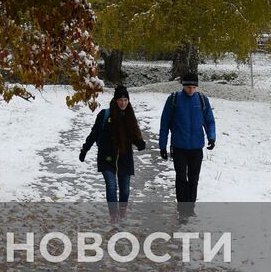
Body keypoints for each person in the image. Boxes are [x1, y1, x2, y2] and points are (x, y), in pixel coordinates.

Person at [79, 85, 147, 223]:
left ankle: (122, 210)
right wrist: (85, 149)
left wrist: (140, 142)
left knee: (125, 191)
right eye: (120, 99)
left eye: (125, 100)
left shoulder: (130, 117)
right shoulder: (105, 115)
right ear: (115, 100)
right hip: (106, 156)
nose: (123, 102)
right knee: (111, 186)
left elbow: (134, 134)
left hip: (124, 157)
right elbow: (94, 133)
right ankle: (113, 214)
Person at [159, 72, 216, 220]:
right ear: (183, 86)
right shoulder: (174, 100)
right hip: (179, 147)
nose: (191, 90)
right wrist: (162, 145)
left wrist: (211, 137)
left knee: (193, 178)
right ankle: (183, 210)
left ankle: (190, 208)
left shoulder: (202, 100)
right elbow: (164, 123)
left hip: (197, 147)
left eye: (193, 87)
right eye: (188, 87)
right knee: (181, 178)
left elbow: (209, 121)